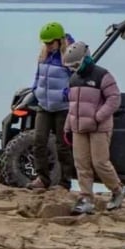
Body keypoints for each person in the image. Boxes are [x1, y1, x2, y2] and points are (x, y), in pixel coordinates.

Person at [63, 40, 125, 214]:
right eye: (71, 67)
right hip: (78, 128)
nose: (74, 69)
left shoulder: (103, 76)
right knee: (81, 164)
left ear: (86, 58)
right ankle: (86, 199)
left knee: (100, 163)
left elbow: (114, 99)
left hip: (99, 127)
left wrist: (98, 117)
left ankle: (118, 190)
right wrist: (67, 127)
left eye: (76, 65)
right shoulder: (74, 79)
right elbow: (72, 106)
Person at [28, 21, 75, 190]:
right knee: (38, 141)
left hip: (62, 108)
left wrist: (66, 95)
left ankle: (64, 182)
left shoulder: (69, 56)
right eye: (45, 43)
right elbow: (38, 75)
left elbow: (77, 80)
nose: (47, 46)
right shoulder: (44, 55)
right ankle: (43, 178)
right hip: (44, 105)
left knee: (63, 146)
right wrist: (35, 89)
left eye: (50, 43)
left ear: (59, 40)